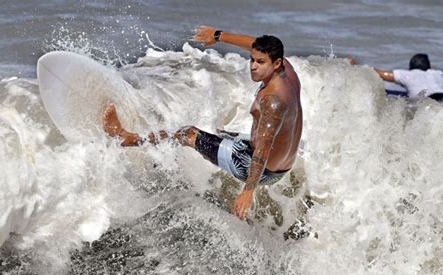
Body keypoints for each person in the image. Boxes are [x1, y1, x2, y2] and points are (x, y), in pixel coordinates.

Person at [103, 26, 302, 221]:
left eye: (260, 62)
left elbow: (263, 149)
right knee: (219, 133)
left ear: (276, 64)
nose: (253, 66)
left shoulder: (273, 101)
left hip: (260, 169)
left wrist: (247, 192)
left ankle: (128, 139)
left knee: (189, 134)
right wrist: (218, 35)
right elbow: (254, 45)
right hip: (283, 165)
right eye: (252, 59)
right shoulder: (288, 72)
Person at [371, 53, 443, 99]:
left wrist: (363, 68)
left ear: (411, 66)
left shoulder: (407, 75)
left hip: (430, 99)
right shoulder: (438, 73)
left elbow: (380, 74)